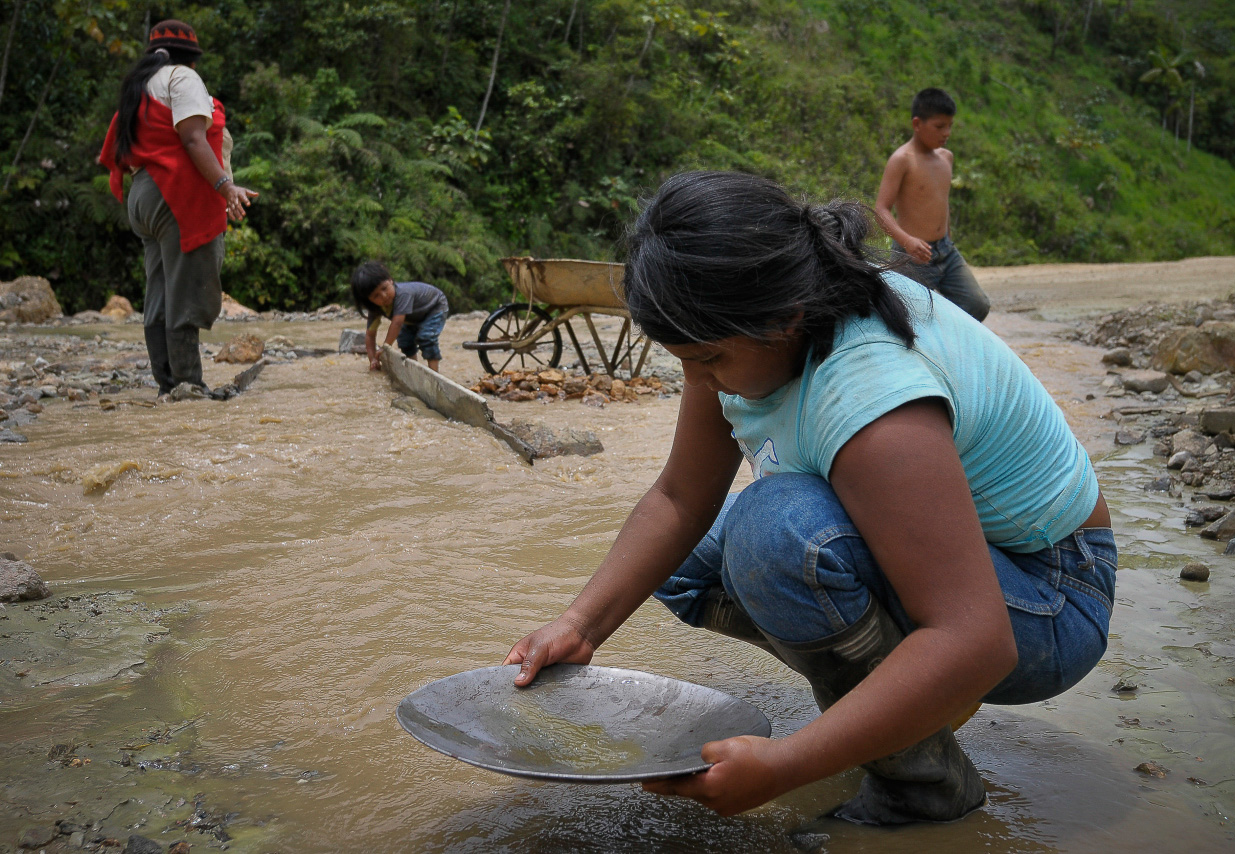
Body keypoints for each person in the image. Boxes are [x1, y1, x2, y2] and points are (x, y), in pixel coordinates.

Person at [504, 171, 1116, 825]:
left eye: (707, 360)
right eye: (684, 361)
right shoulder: (748, 327)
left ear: (783, 320)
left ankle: (921, 784)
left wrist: (789, 764)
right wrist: (579, 626)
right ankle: (886, 691)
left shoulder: (871, 396)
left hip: (1050, 600)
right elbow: (680, 498)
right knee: (685, 565)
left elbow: (977, 639)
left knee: (777, 533)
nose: (698, 382)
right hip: (974, 573)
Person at [99, 19, 258, 397]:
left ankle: (167, 384)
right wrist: (225, 186)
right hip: (174, 194)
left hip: (143, 195)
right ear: (191, 58)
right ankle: (188, 384)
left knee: (161, 291)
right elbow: (191, 137)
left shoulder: (138, 88)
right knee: (186, 291)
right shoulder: (182, 79)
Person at [874, 87, 990, 322]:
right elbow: (881, 209)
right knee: (906, 319)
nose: (946, 133)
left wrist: (947, 238)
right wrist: (907, 241)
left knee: (976, 305)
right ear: (917, 124)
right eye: (939, 126)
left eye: (949, 126)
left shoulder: (946, 158)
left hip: (946, 251)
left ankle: (946, 348)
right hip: (911, 256)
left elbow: (941, 202)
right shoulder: (902, 160)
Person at [350, 261, 449, 372]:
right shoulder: (376, 309)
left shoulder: (403, 294)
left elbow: (397, 323)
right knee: (404, 340)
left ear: (390, 280)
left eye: (384, 288)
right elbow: (370, 335)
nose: (384, 296)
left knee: (426, 337)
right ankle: (413, 370)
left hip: (434, 306)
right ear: (369, 301)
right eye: (376, 295)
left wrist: (385, 348)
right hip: (412, 316)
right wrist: (373, 359)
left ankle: (434, 373)